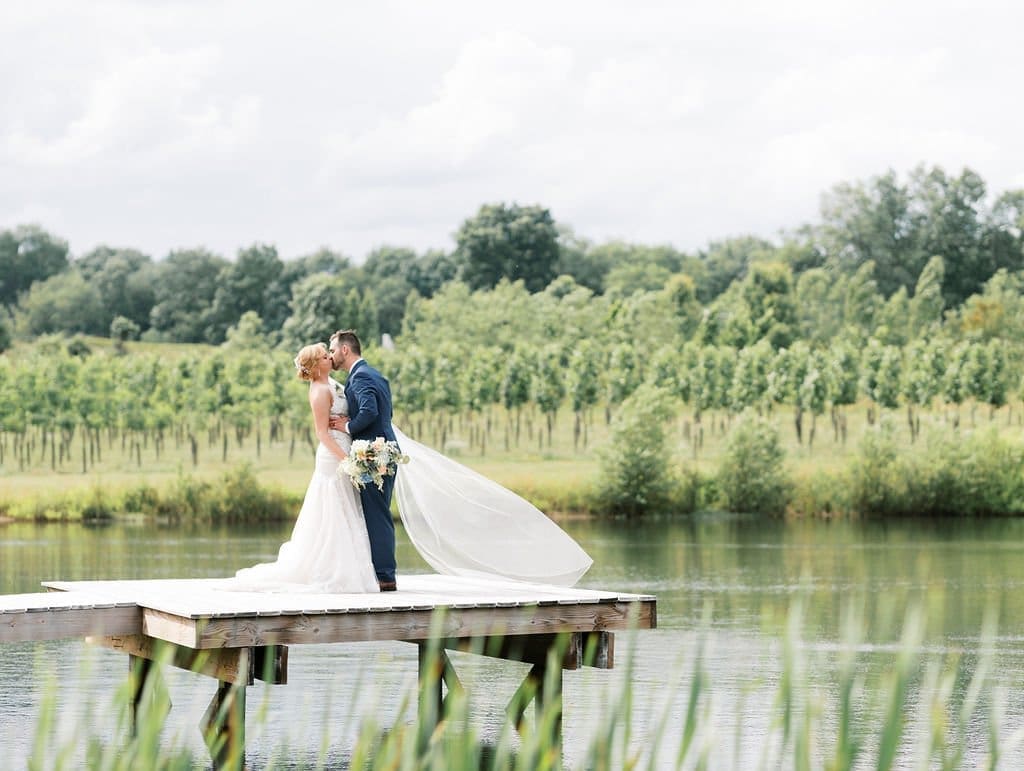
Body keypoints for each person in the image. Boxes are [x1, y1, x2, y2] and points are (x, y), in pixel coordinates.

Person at [222, 343, 379, 594]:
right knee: (332, 509)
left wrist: (349, 425)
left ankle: (353, 570)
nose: (329, 357)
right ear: (316, 367)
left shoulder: (332, 384)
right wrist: (346, 460)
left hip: (344, 446)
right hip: (332, 456)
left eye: (328, 354)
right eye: (324, 357)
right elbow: (321, 433)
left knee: (347, 509)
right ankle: (332, 570)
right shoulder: (318, 391)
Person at [328, 329, 399, 591]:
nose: (331, 355)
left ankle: (384, 576)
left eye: (333, 350)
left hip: (373, 454)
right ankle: (383, 572)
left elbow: (369, 411)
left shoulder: (360, 377)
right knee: (378, 512)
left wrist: (348, 427)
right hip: (382, 450)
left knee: (375, 514)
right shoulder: (373, 374)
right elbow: (386, 411)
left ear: (345, 350)